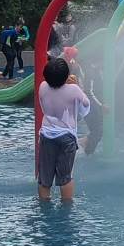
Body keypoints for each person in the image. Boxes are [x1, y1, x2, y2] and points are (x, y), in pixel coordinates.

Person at [36, 57, 89, 200]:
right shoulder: (73, 89)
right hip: (66, 137)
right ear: (66, 75)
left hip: (47, 135)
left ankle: (44, 203)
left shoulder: (42, 87)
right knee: (65, 177)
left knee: (44, 178)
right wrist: (76, 86)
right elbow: (86, 105)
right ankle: (67, 206)